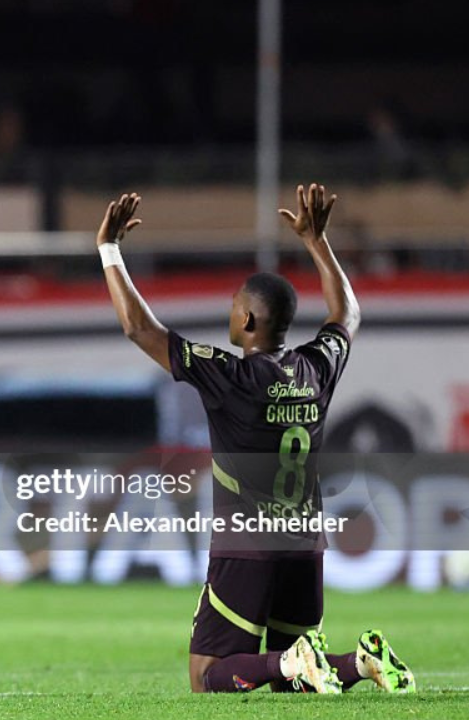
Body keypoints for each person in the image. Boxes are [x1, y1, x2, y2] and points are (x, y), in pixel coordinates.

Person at [96, 185, 415, 694]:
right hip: (306, 544)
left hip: (247, 547)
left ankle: (299, 663)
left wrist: (109, 250)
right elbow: (348, 314)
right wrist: (318, 242)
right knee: (291, 673)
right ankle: (362, 662)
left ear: (246, 319)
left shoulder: (230, 376)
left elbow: (139, 328)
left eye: (232, 308)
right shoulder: (316, 367)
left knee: (207, 676)